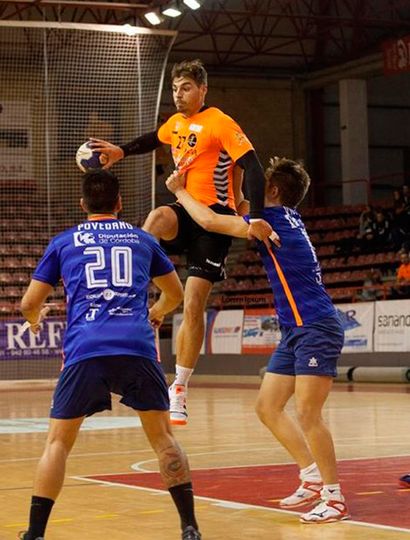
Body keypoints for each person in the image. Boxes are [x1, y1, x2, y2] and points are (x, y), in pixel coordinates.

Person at [18, 170, 201, 540]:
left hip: (86, 349)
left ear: (83, 204)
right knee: (163, 438)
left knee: (57, 443)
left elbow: (28, 303)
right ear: (119, 203)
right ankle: (190, 527)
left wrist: (35, 318)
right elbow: (176, 293)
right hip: (136, 347)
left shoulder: (64, 242)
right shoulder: (142, 240)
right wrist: (158, 311)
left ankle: (35, 533)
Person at [165, 158, 349, 524]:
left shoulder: (273, 221)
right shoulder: (283, 217)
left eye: (260, 182)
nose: (254, 187)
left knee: (308, 414)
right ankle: (311, 476)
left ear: (275, 192)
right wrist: (232, 165)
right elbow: (239, 204)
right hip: (295, 330)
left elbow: (211, 221)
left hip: (316, 327)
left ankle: (334, 497)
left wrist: (180, 191)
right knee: (267, 408)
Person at [90, 59, 272, 425]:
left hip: (215, 220)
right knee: (157, 217)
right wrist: (121, 151)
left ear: (203, 89)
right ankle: (137, 299)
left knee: (193, 304)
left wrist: (258, 215)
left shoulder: (220, 122)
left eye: (186, 87)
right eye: (175, 88)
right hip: (183, 210)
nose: (179, 94)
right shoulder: (175, 124)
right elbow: (151, 139)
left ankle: (180, 387)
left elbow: (251, 166)